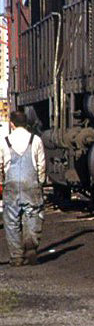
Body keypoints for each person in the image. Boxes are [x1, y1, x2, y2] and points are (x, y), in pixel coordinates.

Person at [2, 110, 46, 266]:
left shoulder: (5, 141)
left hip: (11, 184)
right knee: (33, 214)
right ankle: (31, 246)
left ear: (12, 124)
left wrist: (3, 181)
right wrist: (40, 182)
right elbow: (41, 165)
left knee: (11, 220)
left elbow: (1, 165)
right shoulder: (36, 140)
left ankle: (16, 257)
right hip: (31, 183)